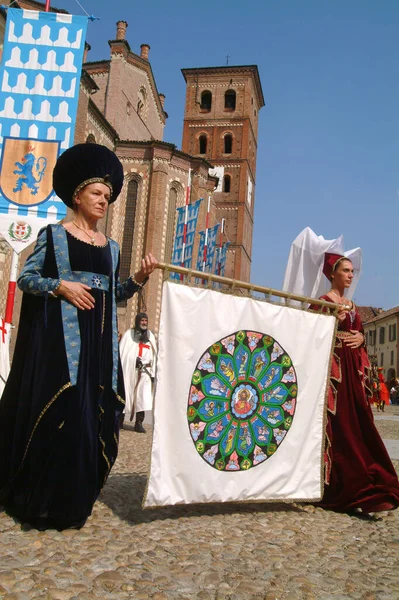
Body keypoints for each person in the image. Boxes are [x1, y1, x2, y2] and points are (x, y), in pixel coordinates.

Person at [0, 143, 158, 530]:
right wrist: (61, 287)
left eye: (108, 196)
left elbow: (113, 293)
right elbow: (28, 279)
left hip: (99, 348)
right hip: (60, 344)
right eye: (97, 194)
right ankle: (39, 502)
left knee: (90, 419)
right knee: (58, 415)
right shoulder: (54, 236)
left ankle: (72, 502)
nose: (104, 201)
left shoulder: (112, 247)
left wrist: (137, 280)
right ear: (77, 195)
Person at [309, 253, 399, 514]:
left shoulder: (351, 305)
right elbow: (310, 335)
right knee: (341, 424)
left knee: (360, 421)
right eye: (345, 270)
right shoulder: (322, 303)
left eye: (352, 271)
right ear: (333, 274)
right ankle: (342, 484)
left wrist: (361, 337)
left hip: (352, 374)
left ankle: (366, 477)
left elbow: (359, 333)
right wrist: (329, 324)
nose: (350, 275)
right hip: (333, 374)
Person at [119, 312, 157, 433]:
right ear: (137, 321)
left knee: (143, 397)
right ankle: (119, 420)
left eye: (146, 320)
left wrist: (153, 373)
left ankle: (139, 423)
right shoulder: (128, 335)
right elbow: (123, 353)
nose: (144, 323)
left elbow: (155, 355)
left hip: (145, 371)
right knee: (126, 393)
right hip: (130, 370)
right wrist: (132, 361)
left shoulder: (150, 336)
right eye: (142, 321)